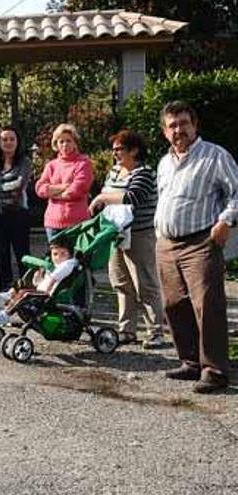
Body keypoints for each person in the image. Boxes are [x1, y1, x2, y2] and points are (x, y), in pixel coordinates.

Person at [155, 100, 237, 394]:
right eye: (172, 125)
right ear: (165, 132)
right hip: (166, 243)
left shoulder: (215, 156)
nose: (179, 130)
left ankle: (214, 371)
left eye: (183, 124)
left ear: (195, 125)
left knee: (208, 306)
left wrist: (226, 220)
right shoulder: (164, 162)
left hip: (200, 241)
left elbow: (236, 192)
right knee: (174, 304)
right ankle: (190, 362)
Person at [88, 130, 164, 349]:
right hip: (115, 234)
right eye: (113, 150)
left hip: (139, 234)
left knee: (145, 284)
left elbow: (133, 197)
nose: (115, 154)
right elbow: (109, 193)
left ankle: (155, 332)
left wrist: (102, 197)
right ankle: (127, 330)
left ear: (134, 150)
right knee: (121, 282)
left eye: (119, 149)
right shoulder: (114, 171)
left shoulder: (144, 172)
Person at [0, 126, 32, 292]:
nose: (8, 142)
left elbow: (19, 184)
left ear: (17, 142)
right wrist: (6, 194)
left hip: (18, 213)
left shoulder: (25, 162)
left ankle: (25, 289)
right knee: (1, 254)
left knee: (22, 253)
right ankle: (5, 289)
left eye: (12, 139)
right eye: (4, 139)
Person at [0, 237, 78, 325]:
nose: (58, 258)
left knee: (25, 293)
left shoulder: (67, 265)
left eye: (63, 254)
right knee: (21, 284)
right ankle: (9, 295)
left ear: (70, 254)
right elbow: (40, 282)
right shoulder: (55, 266)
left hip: (48, 294)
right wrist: (38, 277)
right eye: (55, 254)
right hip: (41, 289)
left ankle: (6, 314)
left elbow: (53, 279)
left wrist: (45, 291)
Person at [35, 124, 93, 240]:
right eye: (61, 141)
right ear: (56, 144)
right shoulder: (51, 165)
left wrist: (52, 193)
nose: (65, 144)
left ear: (75, 143)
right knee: (55, 257)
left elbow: (77, 190)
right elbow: (39, 189)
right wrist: (63, 187)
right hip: (52, 224)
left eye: (68, 141)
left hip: (77, 224)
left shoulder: (83, 163)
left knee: (76, 258)